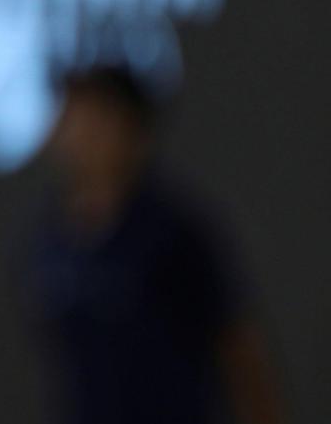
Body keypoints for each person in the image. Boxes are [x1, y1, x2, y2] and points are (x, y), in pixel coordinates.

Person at [23, 66, 283, 424]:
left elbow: (240, 349)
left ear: (133, 131)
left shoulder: (174, 232)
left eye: (97, 120)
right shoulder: (49, 243)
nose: (79, 134)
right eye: (71, 116)